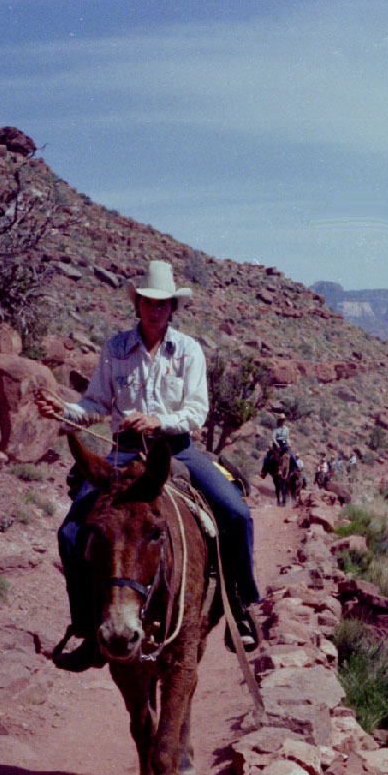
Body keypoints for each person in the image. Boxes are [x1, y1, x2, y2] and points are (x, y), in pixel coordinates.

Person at [35, 260, 261, 671]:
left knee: (236, 513)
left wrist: (159, 420)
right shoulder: (116, 348)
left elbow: (197, 411)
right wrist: (63, 410)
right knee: (70, 533)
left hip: (177, 449)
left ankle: (239, 609)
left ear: (173, 307)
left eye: (164, 303)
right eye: (149, 302)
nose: (156, 309)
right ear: (137, 304)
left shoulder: (189, 350)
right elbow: (96, 405)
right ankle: (87, 627)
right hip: (123, 451)